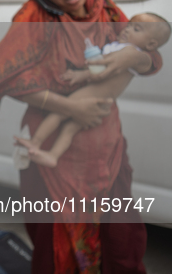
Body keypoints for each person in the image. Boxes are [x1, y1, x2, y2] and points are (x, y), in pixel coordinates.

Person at [0, 0, 163, 274]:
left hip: (106, 156)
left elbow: (151, 52)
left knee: (125, 254)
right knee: (53, 264)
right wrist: (69, 105)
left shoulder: (106, 9)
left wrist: (135, 55)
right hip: (51, 164)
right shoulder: (33, 20)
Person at [15, 12, 170, 167]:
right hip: (103, 102)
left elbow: (99, 73)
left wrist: (79, 75)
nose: (127, 29)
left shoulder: (127, 52)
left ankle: (35, 142)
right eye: (128, 25)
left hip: (90, 95)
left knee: (57, 114)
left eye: (136, 29)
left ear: (151, 45)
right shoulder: (127, 51)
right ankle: (53, 156)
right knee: (69, 128)